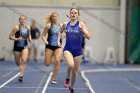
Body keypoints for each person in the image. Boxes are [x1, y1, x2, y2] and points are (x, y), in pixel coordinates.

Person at [59, 7, 91, 93]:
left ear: (78, 15)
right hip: (68, 49)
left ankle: (71, 88)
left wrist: (83, 30)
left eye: (75, 13)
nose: (73, 14)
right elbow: (60, 31)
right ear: (70, 14)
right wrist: (59, 40)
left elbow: (88, 37)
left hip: (78, 51)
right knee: (71, 65)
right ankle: (67, 78)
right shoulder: (66, 24)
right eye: (72, 13)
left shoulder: (81, 24)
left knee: (75, 72)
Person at [9, 15, 32, 82]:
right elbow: (10, 36)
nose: (22, 20)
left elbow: (29, 35)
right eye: (21, 19)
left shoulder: (28, 28)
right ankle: (20, 67)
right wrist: (16, 39)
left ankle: (21, 76)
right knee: (18, 63)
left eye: (23, 19)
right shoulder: (16, 28)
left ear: (25, 20)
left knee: (24, 61)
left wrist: (30, 39)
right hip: (17, 47)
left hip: (25, 46)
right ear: (19, 20)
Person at [41, 12, 62, 84]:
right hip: (49, 46)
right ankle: (51, 56)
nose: (55, 18)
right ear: (52, 18)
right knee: (47, 63)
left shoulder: (61, 25)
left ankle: (54, 78)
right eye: (53, 17)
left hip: (58, 46)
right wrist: (45, 41)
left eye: (56, 16)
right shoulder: (48, 26)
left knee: (57, 61)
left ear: (58, 17)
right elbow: (43, 35)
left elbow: (66, 32)